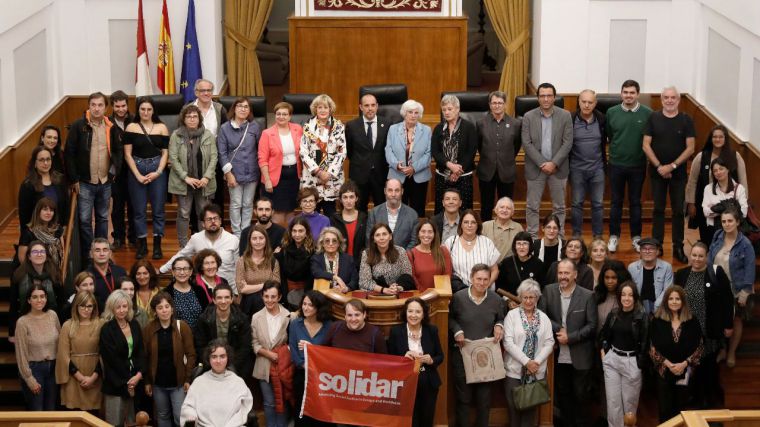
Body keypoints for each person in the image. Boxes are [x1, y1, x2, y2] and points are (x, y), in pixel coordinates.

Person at [538, 259, 598, 427]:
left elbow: (592, 326)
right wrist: (560, 330)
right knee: (562, 394)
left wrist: (570, 337)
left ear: (575, 275)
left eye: (566, 273)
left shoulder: (588, 295)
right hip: (557, 355)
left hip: (580, 355)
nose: (563, 276)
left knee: (581, 395)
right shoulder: (548, 291)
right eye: (560, 273)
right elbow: (542, 316)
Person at [674, 243, 734, 409]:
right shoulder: (681, 274)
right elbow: (675, 300)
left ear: (706, 257)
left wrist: (728, 325)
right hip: (688, 331)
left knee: (709, 366)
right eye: (694, 255)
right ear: (690, 256)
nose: (697, 259)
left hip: (710, 331)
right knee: (692, 365)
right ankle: (694, 398)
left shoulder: (716, 273)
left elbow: (727, 301)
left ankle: (710, 401)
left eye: (701, 256)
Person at [64, 92, 123, 260]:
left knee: (103, 218)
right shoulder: (78, 126)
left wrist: (114, 171)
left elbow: (118, 151)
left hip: (105, 181)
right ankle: (89, 255)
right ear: (89, 106)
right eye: (93, 105)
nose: (97, 109)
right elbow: (69, 153)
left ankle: (101, 253)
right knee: (84, 220)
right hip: (84, 182)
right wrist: (74, 178)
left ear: (106, 107)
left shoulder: (111, 126)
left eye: (100, 105)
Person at [642, 86, 696, 264]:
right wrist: (659, 167)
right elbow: (646, 145)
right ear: (662, 99)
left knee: (678, 211)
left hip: (678, 174)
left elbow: (690, 148)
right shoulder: (653, 117)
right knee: (658, 210)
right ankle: (657, 245)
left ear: (678, 100)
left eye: (673, 97)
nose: (669, 100)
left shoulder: (686, 120)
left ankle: (678, 246)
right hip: (657, 173)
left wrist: (671, 167)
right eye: (666, 97)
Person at [449, 264, 506, 427]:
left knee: (484, 400)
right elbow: (449, 318)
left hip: (485, 357)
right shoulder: (458, 298)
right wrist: (457, 330)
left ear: (490, 280)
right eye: (478, 279)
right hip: (462, 355)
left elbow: (501, 318)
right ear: (471, 279)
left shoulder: (496, 299)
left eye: (485, 279)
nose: (482, 283)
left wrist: (499, 325)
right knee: (463, 399)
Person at [521, 82, 573, 238]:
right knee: (532, 206)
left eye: (549, 95)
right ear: (537, 98)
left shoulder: (565, 115)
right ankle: (533, 237)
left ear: (554, 97)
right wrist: (543, 163)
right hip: (536, 168)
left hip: (558, 168)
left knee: (559, 207)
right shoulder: (528, 116)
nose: (545, 99)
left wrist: (554, 163)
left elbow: (568, 142)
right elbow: (526, 143)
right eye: (542, 96)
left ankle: (559, 237)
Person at [606, 80, 652, 253]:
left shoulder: (648, 113)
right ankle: (614, 236)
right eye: (625, 92)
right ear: (621, 93)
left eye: (632, 92)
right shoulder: (612, 112)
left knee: (635, 203)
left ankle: (636, 237)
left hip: (638, 165)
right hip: (616, 164)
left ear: (638, 94)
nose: (628, 95)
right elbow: (610, 135)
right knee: (615, 202)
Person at [502, 279, 554, 427]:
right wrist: (527, 362)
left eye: (532, 297)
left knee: (530, 415)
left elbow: (549, 342)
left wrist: (535, 362)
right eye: (525, 297)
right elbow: (508, 343)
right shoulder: (512, 316)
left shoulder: (544, 318)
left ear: (537, 298)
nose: (528, 301)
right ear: (520, 297)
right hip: (514, 373)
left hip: (536, 373)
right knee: (514, 413)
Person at [123, 97, 170, 260]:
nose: (146, 112)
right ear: (138, 110)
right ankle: (142, 245)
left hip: (157, 169)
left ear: (153, 110)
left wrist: (158, 172)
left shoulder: (162, 127)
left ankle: (157, 245)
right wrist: (137, 175)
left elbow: (165, 153)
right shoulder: (131, 126)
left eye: (149, 109)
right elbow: (127, 154)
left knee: (158, 210)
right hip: (137, 169)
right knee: (139, 211)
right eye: (142, 109)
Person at [709, 208, 756, 368]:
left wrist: (744, 294)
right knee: (720, 321)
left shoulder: (746, 245)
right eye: (723, 221)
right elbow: (710, 260)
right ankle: (722, 349)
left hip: (738, 290)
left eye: (730, 221)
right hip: (718, 289)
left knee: (736, 322)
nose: (727, 224)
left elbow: (750, 271)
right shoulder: (717, 237)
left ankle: (731, 352)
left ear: (737, 222)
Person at [649, 286, 704, 422]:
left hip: (685, 372)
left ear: (683, 301)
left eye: (677, 299)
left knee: (681, 410)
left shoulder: (692, 321)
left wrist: (684, 364)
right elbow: (652, 347)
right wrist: (668, 364)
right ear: (666, 301)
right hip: (663, 372)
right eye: (671, 298)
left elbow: (700, 346)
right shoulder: (657, 320)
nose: (674, 302)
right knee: (664, 410)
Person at [142, 292, 196, 427]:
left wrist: (188, 379)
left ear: (172, 308)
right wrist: (147, 381)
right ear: (155, 311)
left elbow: (191, 354)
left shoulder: (181, 326)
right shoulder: (149, 329)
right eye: (160, 308)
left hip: (178, 383)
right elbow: (145, 357)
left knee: (180, 417)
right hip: (158, 383)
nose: (164, 310)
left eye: (167, 306)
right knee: (162, 416)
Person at [686, 124, 748, 244]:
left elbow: (743, 180)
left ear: (725, 139)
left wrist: (743, 201)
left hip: (730, 206)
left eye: (721, 136)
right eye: (714, 137)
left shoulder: (735, 156)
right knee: (707, 239)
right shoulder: (701, 156)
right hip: (706, 203)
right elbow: (692, 181)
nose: (717, 139)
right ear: (710, 138)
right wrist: (691, 203)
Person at [599, 281, 649, 427]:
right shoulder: (614, 313)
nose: (626, 298)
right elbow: (604, 335)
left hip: (631, 361)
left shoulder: (642, 317)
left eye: (630, 295)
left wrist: (639, 364)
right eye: (623, 295)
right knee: (613, 403)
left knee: (629, 405)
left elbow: (645, 343)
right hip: (612, 360)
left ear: (635, 297)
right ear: (619, 297)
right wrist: (604, 352)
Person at [388, 297, 444, 427]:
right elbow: (389, 358)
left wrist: (431, 360)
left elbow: (440, 356)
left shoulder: (431, 330)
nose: (413, 315)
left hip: (428, 381)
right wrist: (403, 357)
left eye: (418, 312)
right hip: (404, 383)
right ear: (405, 312)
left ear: (423, 314)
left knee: (426, 419)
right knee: (409, 420)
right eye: (410, 311)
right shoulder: (396, 331)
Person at [169, 104, 218, 248]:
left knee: (203, 214)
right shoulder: (176, 135)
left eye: (195, 116)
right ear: (183, 119)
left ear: (199, 118)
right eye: (188, 116)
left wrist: (206, 177)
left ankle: (203, 244)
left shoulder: (208, 135)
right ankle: (183, 245)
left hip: (203, 182)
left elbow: (214, 157)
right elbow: (173, 159)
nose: (192, 119)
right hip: (183, 182)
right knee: (184, 214)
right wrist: (186, 177)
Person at [160, 204, 240, 290]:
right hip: (203, 290)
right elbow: (181, 256)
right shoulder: (196, 238)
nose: (213, 221)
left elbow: (239, 267)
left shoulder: (233, 240)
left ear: (220, 221)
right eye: (209, 219)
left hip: (227, 290)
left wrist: (236, 292)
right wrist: (162, 270)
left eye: (216, 218)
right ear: (203, 224)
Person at [180, 339, 253, 427]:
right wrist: (190, 417)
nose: (218, 361)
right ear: (208, 359)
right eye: (214, 357)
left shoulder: (238, 382)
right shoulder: (199, 382)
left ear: (228, 358)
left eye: (222, 356)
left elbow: (247, 407)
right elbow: (188, 406)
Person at [100, 290, 146, 427]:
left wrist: (138, 375)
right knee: (114, 423)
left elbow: (141, 353)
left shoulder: (134, 325)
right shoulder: (107, 329)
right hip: (116, 383)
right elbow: (111, 360)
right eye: (118, 307)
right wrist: (128, 382)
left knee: (134, 422)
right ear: (111, 308)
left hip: (136, 382)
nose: (121, 310)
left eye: (124, 306)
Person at [218, 97, 262, 238]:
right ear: (234, 109)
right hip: (234, 172)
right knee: (236, 203)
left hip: (252, 172)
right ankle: (237, 234)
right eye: (240, 106)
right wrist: (228, 173)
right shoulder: (225, 128)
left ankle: (246, 231)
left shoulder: (254, 126)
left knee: (248, 203)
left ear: (249, 110)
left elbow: (260, 148)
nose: (243, 109)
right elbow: (222, 153)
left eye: (246, 107)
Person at [288, 291, 332, 427]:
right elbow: (294, 353)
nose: (305, 308)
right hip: (302, 375)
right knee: (302, 413)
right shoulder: (295, 324)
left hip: (323, 377)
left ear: (318, 307)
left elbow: (330, 354)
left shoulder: (329, 326)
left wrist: (312, 349)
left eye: (310, 305)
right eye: (304, 304)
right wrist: (306, 367)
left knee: (322, 413)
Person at [251, 281, 292, 427]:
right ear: (262, 296)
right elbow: (254, 344)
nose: (269, 300)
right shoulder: (256, 317)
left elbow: (292, 343)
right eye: (266, 296)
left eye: (273, 296)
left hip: (283, 366)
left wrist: (281, 354)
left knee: (283, 401)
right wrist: (268, 354)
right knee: (269, 403)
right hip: (264, 365)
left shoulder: (289, 316)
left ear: (279, 297)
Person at [477, 90, 522, 221]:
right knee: (486, 206)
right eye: (494, 103)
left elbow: (516, 145)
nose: (497, 106)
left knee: (506, 206)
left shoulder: (516, 124)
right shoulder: (481, 123)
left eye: (500, 103)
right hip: (486, 171)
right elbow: (480, 146)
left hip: (507, 171)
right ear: (490, 105)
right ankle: (484, 234)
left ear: (505, 105)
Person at [15, 284, 61, 411]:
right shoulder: (23, 322)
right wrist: (29, 379)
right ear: (29, 300)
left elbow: (61, 342)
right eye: (35, 297)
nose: (39, 300)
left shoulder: (53, 315)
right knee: (37, 411)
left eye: (42, 296)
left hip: (53, 368)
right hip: (35, 370)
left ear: (46, 298)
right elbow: (21, 354)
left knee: (51, 410)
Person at [299, 94, 346, 216]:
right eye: (320, 107)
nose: (323, 110)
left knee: (331, 213)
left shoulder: (338, 127)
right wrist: (319, 172)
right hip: (313, 178)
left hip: (332, 179)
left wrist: (328, 173)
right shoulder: (308, 127)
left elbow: (342, 152)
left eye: (326, 107)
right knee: (311, 213)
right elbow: (303, 152)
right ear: (315, 109)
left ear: (330, 109)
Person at [193, 284, 253, 379]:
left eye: (226, 297)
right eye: (219, 298)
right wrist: (213, 363)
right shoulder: (204, 319)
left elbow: (245, 347)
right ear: (214, 300)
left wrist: (228, 365)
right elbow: (200, 346)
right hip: (210, 364)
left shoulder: (242, 319)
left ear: (232, 299)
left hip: (236, 365)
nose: (223, 301)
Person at [56, 290, 103, 411]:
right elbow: (63, 355)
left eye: (89, 306)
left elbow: (105, 354)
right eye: (82, 305)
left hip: (96, 377)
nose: (86, 309)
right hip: (73, 378)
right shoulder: (67, 325)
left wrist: (93, 377)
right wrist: (80, 377)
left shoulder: (101, 324)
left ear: (94, 307)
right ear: (76, 306)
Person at [259, 101, 304, 224]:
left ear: (290, 116)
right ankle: (278, 239)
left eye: (284, 114)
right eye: (278, 114)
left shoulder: (298, 129)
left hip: (294, 177)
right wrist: (267, 180)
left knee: (291, 209)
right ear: (275, 116)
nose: (281, 117)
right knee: (277, 210)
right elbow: (262, 159)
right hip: (274, 179)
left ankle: (289, 238)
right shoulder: (267, 133)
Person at [570, 89, 607, 240]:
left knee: (598, 204)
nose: (586, 105)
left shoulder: (602, 119)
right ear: (579, 102)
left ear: (595, 103)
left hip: (597, 168)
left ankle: (598, 235)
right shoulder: (570, 119)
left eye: (590, 102)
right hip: (576, 168)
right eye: (583, 101)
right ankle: (576, 234)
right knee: (577, 203)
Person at [386, 99, 432, 217]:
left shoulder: (426, 130)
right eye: (410, 112)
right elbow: (388, 150)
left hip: (419, 176)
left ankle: (417, 234)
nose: (413, 115)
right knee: (398, 210)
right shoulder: (393, 129)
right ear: (404, 113)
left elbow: (429, 153)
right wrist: (397, 165)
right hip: (397, 175)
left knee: (418, 210)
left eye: (416, 113)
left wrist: (413, 168)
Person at [9, 241, 63, 342]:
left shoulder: (54, 274)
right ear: (29, 256)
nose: (39, 254)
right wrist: (12, 332)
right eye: (35, 252)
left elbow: (61, 301)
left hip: (50, 323)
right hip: (27, 322)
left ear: (46, 256)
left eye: (42, 251)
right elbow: (13, 304)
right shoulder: (18, 275)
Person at [432, 94, 478, 213]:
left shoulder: (469, 127)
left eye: (450, 109)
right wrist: (450, 166)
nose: (446, 112)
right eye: (444, 110)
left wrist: (457, 170)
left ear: (458, 109)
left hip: (463, 176)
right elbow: (435, 152)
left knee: (464, 211)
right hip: (442, 176)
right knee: (442, 210)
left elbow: (471, 151)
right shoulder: (438, 128)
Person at [345, 93, 391, 212]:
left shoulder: (387, 124)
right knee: (359, 209)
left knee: (381, 209)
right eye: (366, 105)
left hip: (381, 174)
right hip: (359, 175)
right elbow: (349, 151)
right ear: (361, 107)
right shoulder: (351, 126)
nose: (370, 108)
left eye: (372, 105)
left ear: (377, 106)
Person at [191, 79, 228, 220]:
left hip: (215, 158)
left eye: (209, 90)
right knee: (196, 194)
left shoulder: (219, 109)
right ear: (196, 92)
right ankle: (197, 227)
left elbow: (225, 133)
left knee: (217, 194)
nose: (206, 93)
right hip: (193, 158)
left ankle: (218, 224)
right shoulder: (188, 109)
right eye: (202, 90)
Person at [443, 209, 500, 290]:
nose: (469, 225)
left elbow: (495, 270)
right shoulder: (450, 242)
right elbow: (445, 270)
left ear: (478, 225)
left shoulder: (487, 242)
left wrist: (486, 286)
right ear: (461, 224)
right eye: (466, 222)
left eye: (473, 222)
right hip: (460, 292)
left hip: (485, 291)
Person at [18, 146, 68, 238]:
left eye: (48, 159)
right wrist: (26, 237)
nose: (45, 163)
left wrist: (64, 227)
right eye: (41, 160)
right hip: (36, 234)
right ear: (35, 163)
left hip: (56, 232)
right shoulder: (27, 185)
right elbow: (24, 215)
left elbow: (65, 206)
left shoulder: (60, 180)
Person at [109, 90, 135, 250]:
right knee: (117, 207)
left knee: (133, 206)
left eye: (123, 105)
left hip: (133, 170)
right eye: (117, 106)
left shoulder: (134, 120)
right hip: (116, 171)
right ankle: (118, 237)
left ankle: (133, 238)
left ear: (127, 104)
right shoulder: (107, 123)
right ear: (112, 106)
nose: (120, 109)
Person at [236, 224, 281, 318]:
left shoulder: (273, 261)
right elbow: (242, 289)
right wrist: (265, 284)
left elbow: (276, 285)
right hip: (247, 308)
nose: (258, 241)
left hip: (268, 305)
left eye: (261, 238)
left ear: (266, 240)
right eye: (254, 238)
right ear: (250, 241)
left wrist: (249, 287)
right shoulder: (242, 261)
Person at [701, 157, 749, 240]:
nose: (718, 172)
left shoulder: (739, 188)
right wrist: (730, 208)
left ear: (727, 169)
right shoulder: (708, 188)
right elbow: (706, 212)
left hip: (734, 231)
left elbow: (743, 212)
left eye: (721, 169)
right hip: (713, 231)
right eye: (715, 171)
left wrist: (716, 209)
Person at [359, 223, 414, 294]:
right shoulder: (366, 254)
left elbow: (407, 275)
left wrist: (397, 288)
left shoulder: (401, 251)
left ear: (390, 236)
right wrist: (384, 290)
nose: (381, 238)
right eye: (377, 235)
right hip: (376, 296)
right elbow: (364, 282)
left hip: (397, 294)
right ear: (374, 239)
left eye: (384, 234)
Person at [366, 178, 419, 250]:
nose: (393, 194)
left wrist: (402, 258)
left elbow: (414, 242)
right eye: (390, 190)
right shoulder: (374, 213)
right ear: (385, 191)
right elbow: (369, 240)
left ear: (402, 191)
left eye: (397, 190)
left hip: (404, 259)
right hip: (378, 259)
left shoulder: (412, 214)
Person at [627, 237, 673, 315]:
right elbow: (630, 290)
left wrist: (655, 308)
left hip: (660, 309)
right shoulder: (632, 267)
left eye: (651, 249)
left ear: (657, 251)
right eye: (644, 249)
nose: (647, 251)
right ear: (640, 251)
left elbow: (667, 290)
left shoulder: (666, 267)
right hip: (638, 309)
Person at [496, 231, 547, 300]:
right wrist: (508, 301)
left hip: (531, 303)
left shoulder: (538, 264)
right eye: (519, 244)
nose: (521, 247)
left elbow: (542, 288)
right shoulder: (507, 263)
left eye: (525, 244)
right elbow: (500, 286)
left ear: (530, 246)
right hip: (510, 303)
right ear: (515, 246)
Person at [17, 197, 64, 268]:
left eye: (51, 210)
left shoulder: (57, 229)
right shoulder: (29, 232)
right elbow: (22, 259)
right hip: (34, 271)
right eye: (45, 209)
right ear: (38, 211)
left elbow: (62, 251)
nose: (48, 213)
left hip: (55, 271)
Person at [407, 219, 452, 292]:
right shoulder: (411, 254)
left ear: (434, 234)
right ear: (418, 234)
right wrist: (425, 295)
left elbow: (447, 275)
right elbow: (413, 278)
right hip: (420, 297)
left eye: (430, 232)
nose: (426, 235)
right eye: (423, 231)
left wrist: (437, 294)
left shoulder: (443, 251)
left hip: (440, 296)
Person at [278, 218, 315, 305]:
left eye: (301, 231)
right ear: (290, 232)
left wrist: (306, 299)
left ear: (307, 233)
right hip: (286, 289)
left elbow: (310, 279)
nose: (297, 234)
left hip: (305, 292)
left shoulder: (313, 252)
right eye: (294, 231)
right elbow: (282, 275)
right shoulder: (284, 249)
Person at [168, 257, 211, 329]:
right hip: (177, 336)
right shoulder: (167, 293)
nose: (182, 272)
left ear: (191, 272)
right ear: (173, 272)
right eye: (178, 269)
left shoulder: (199, 291)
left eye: (185, 269)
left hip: (199, 336)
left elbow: (207, 315)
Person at [311, 227, 359, 293]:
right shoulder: (316, 258)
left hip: (342, 297)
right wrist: (336, 278)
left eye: (334, 241)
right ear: (322, 243)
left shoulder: (348, 259)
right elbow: (316, 272)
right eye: (327, 241)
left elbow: (355, 280)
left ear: (339, 243)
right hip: (321, 298)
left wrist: (346, 288)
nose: (331, 244)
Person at [330, 180, 368, 261]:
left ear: (356, 198)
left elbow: (367, 243)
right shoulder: (334, 219)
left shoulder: (364, 218)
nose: (348, 201)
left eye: (351, 197)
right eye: (345, 197)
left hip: (360, 263)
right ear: (340, 199)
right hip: (340, 262)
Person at [87, 238, 128, 311]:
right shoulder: (86, 276)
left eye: (105, 250)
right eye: (97, 250)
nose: (102, 254)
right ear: (91, 254)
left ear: (110, 253)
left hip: (121, 313)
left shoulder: (121, 271)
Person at [482, 196, 524, 262]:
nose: (504, 210)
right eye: (502, 207)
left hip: (510, 267)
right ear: (496, 210)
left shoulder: (518, 227)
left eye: (508, 208)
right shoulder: (485, 226)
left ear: (512, 212)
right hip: (488, 266)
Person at [594, 261, 631, 334]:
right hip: (597, 341)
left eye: (614, 277)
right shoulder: (596, 295)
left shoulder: (628, 298)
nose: (609, 281)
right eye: (607, 277)